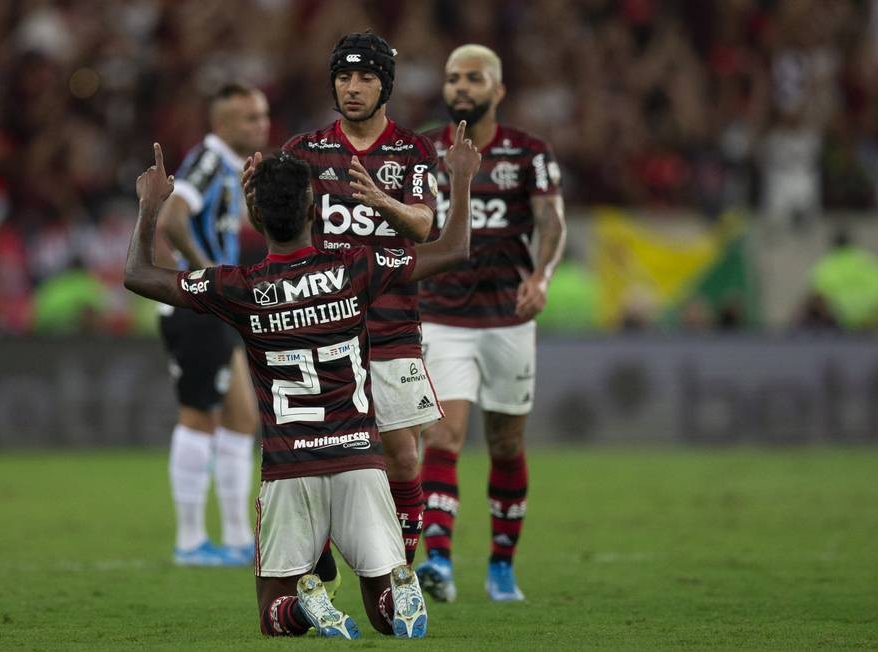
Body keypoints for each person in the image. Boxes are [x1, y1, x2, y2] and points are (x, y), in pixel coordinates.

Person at [123, 124, 480, 637]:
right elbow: (453, 249)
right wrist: (462, 179)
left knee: (274, 616)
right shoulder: (358, 267)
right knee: (384, 616)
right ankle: (396, 587)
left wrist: (151, 205)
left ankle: (303, 607)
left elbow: (139, 274)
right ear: (315, 211)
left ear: (258, 218)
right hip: (360, 462)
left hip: (291, 473)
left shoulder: (238, 287)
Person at [282, 32, 439, 573]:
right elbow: (281, 230)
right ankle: (317, 565)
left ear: (385, 85)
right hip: (324, 326)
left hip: (393, 328)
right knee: (316, 457)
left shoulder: (413, 151)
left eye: (365, 77)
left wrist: (381, 201)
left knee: (401, 454)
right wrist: (259, 199)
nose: (352, 88)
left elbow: (424, 224)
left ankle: (402, 573)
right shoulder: (303, 151)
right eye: (344, 77)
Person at [416, 44, 566, 603]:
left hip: (508, 315)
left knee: (505, 443)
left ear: (498, 90)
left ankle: (502, 566)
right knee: (444, 434)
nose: (460, 87)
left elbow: (551, 220)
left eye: (473, 78)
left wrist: (542, 276)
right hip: (442, 315)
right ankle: (439, 562)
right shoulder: (422, 150)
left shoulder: (529, 152)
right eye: (453, 77)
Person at [153, 83, 269, 566]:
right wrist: (206, 276)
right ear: (222, 125)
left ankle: (240, 538)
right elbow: (170, 219)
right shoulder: (205, 160)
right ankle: (190, 540)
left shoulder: (224, 164)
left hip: (211, 306)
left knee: (243, 416)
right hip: (195, 305)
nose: (260, 124)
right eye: (249, 118)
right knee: (198, 416)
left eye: (262, 115)